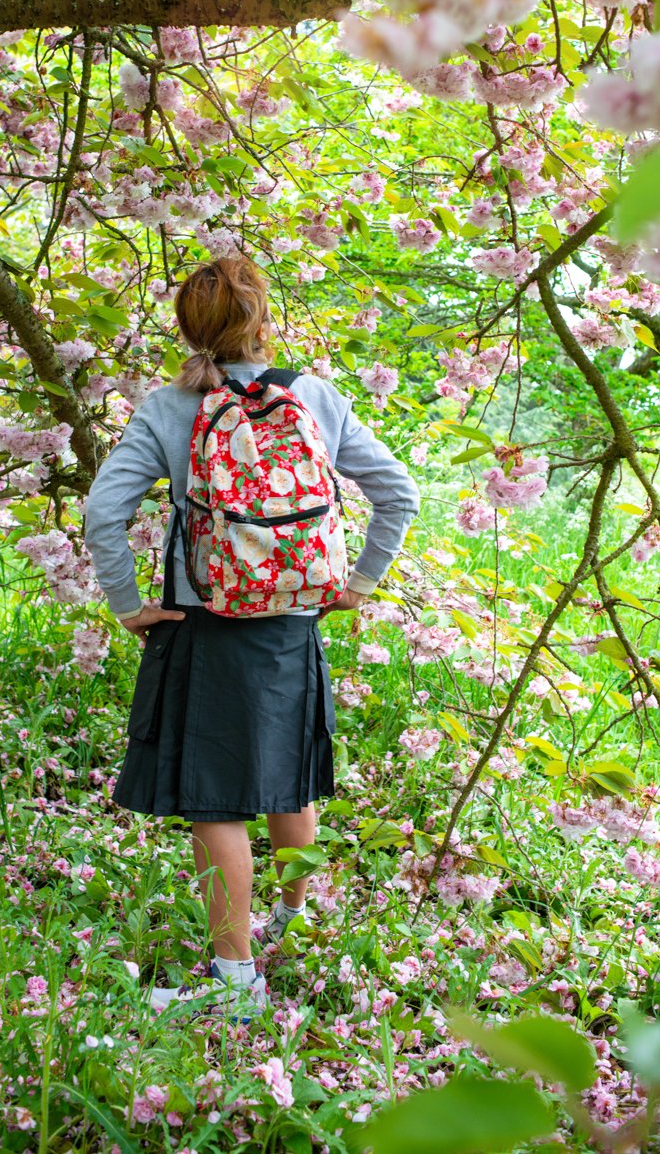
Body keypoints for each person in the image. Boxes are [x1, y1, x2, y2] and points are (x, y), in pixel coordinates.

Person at [82, 254, 420, 1016]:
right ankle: (292, 923)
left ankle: (237, 984)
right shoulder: (316, 397)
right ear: (262, 319)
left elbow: (103, 514)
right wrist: (357, 584)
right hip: (294, 620)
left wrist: (129, 604)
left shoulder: (170, 408)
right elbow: (399, 494)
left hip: (206, 622)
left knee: (217, 802)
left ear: (188, 328)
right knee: (288, 774)